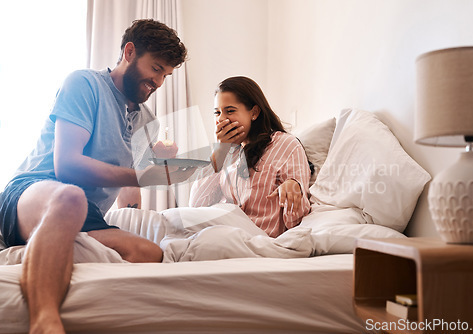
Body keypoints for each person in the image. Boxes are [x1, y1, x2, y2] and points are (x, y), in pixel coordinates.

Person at [0, 19, 195, 334]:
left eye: (165, 75)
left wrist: (134, 209)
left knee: (149, 252)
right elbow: (67, 166)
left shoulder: (149, 122)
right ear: (129, 52)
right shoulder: (84, 84)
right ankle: (44, 321)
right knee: (70, 196)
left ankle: (59, 263)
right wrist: (145, 176)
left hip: (85, 216)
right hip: (34, 192)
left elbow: (129, 185)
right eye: (156, 68)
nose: (159, 82)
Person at [189, 76, 311, 237]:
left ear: (254, 113)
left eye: (230, 111)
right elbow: (196, 206)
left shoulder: (285, 144)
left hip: (257, 237)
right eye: (217, 113)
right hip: (224, 229)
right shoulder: (227, 154)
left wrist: (294, 189)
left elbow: (296, 221)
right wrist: (219, 151)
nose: (221, 119)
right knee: (171, 222)